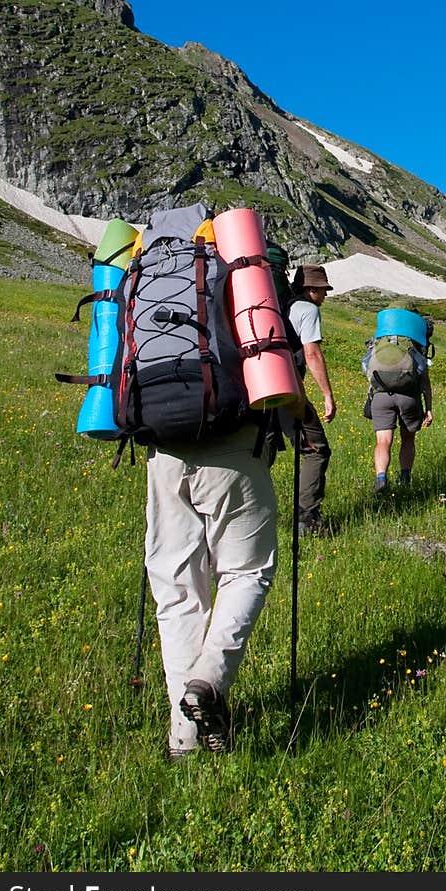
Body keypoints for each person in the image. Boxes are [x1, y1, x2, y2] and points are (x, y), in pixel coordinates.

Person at [146, 422, 279, 761]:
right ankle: (208, 682)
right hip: (235, 446)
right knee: (246, 572)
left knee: (177, 596)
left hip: (165, 451)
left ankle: (183, 737)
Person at [285, 263, 337, 536]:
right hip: (286, 390)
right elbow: (312, 353)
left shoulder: (282, 306)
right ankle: (307, 519)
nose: (325, 295)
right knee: (316, 450)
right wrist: (327, 395)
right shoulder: (308, 310)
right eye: (323, 290)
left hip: (258, 387)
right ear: (311, 289)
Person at [370, 339, 433, 494]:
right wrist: (429, 408)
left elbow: (367, 370)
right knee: (408, 439)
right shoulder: (413, 350)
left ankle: (381, 478)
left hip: (381, 398)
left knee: (383, 441)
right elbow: (425, 383)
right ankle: (405, 478)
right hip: (408, 398)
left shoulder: (379, 346)